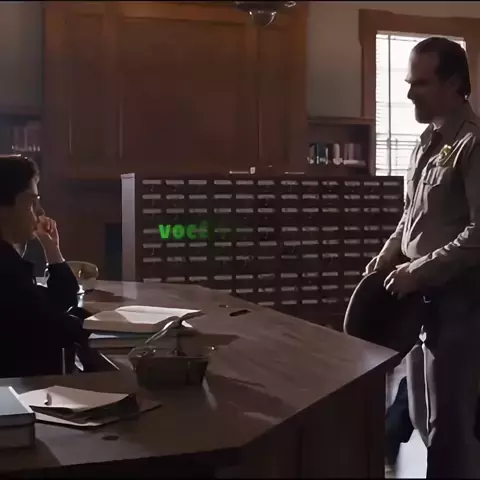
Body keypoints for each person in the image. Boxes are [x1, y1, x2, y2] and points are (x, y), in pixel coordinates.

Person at [365, 37, 480, 477]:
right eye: (409, 83)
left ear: (453, 83)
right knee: (423, 415)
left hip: (459, 305)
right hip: (418, 303)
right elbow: (411, 215)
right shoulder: (426, 142)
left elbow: (478, 234)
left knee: (450, 425)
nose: (410, 92)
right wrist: (389, 254)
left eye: (420, 83)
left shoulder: (473, 144)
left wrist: (418, 271)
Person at [0, 155, 89, 378]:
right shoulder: (6, 270)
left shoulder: (9, 262)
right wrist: (88, 322)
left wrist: (51, 246)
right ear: (5, 207)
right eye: (32, 203)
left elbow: (57, 301)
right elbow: (52, 325)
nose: (40, 213)